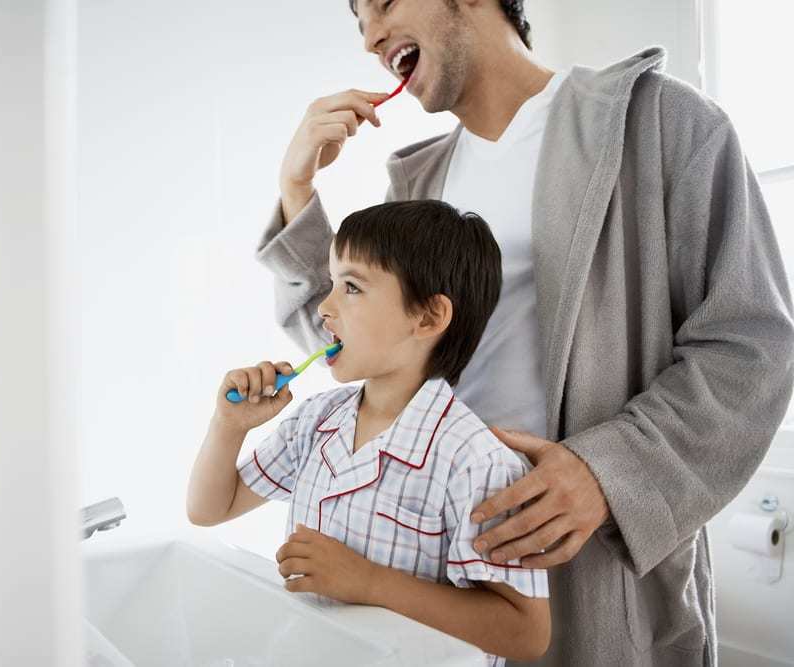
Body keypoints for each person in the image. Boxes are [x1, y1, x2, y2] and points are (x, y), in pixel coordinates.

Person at [253, 0, 794, 665]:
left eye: (384, 3)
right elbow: (357, 349)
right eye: (359, 22)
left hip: (593, 579)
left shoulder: (664, 123)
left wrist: (607, 473)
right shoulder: (415, 187)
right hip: (433, 588)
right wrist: (296, 187)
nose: (370, 38)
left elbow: (750, 345)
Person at [188, 200, 551, 664]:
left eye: (352, 287)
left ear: (427, 317)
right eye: (332, 284)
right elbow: (209, 509)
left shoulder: (476, 462)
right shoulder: (317, 421)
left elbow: (526, 632)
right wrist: (228, 426)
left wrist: (370, 582)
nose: (324, 308)